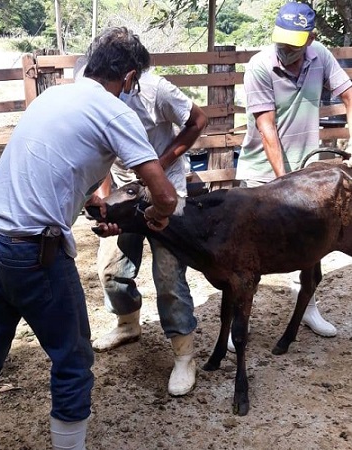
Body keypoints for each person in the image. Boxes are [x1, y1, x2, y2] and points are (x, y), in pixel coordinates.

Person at [0, 38, 178, 450]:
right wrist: (157, 217)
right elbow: (164, 195)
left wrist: (88, 199)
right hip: (33, 254)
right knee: (73, 361)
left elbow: (50, 164)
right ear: (129, 77)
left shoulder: (52, 95)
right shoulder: (116, 112)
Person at [74, 27, 208, 397]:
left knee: (168, 276)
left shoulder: (157, 90)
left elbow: (198, 120)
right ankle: (128, 323)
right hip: (120, 189)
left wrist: (160, 163)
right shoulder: (88, 83)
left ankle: (184, 354)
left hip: (166, 191)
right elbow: (93, 147)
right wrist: (104, 197)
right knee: (111, 269)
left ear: (130, 76)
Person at [234, 1, 352, 351]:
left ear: (310, 38)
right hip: (261, 173)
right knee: (246, 249)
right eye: (280, 43)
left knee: (312, 243)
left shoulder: (321, 56)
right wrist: (284, 184)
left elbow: (349, 95)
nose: (284, 50)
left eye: (292, 45)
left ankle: (309, 308)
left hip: (308, 169)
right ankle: (238, 321)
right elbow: (266, 127)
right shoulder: (259, 66)